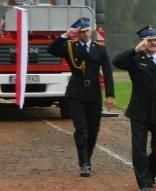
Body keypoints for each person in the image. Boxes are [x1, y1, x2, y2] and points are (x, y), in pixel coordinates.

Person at [113, 25, 156, 191]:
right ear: (143, 42)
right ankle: (144, 183)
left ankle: (150, 174)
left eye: (155, 40)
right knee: (139, 147)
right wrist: (135, 50)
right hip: (139, 111)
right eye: (149, 40)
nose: (153, 43)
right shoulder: (134, 59)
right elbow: (116, 62)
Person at [47, 17, 115, 177]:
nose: (86, 34)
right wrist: (65, 35)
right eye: (82, 32)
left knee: (93, 130)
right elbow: (51, 50)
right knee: (81, 129)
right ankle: (84, 162)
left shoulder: (99, 49)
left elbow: (107, 71)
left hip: (93, 93)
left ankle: (87, 158)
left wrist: (110, 94)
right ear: (78, 34)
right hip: (76, 92)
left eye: (87, 31)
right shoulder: (71, 47)